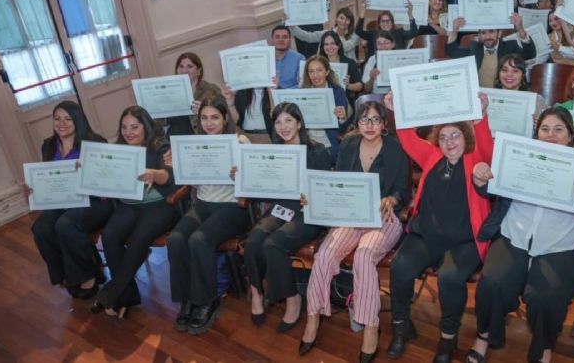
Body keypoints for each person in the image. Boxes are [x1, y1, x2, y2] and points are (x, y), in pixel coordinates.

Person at [467, 107, 574, 363]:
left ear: (570, 135)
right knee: (492, 284)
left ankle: (543, 348)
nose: (551, 135)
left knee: (545, 297)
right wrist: (481, 178)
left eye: (558, 129)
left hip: (563, 244)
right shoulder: (520, 156)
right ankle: (485, 336)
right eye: (545, 129)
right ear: (536, 132)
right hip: (514, 234)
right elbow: (490, 190)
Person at [385, 92, 494, 363]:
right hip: (426, 235)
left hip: (465, 240)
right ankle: (400, 327)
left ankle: (448, 339)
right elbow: (409, 138)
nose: (449, 142)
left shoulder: (476, 157)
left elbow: (487, 146)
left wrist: (480, 115)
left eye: (455, 135)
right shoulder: (431, 154)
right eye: (444, 137)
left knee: (449, 278)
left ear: (465, 136)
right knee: (399, 266)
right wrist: (396, 109)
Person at [299, 101, 411, 362]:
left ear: (384, 124)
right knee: (324, 255)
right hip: (352, 216)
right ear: (357, 123)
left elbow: (402, 192)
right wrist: (316, 199)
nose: (369, 125)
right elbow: (338, 183)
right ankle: (313, 319)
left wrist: (392, 200)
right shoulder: (348, 145)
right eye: (364, 119)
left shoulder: (395, 148)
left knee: (363, 256)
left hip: (384, 218)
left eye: (375, 120)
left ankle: (371, 326)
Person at [243, 102, 333, 330]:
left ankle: (292, 298)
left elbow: (325, 190)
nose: (283, 127)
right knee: (254, 240)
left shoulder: (317, 151)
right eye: (278, 122)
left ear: (299, 123)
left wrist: (311, 197)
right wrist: (244, 173)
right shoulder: (273, 151)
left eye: (289, 121)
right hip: (281, 209)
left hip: (308, 213)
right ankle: (257, 291)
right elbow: (261, 184)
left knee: (274, 244)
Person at [166, 96, 251, 335]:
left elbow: (256, 182)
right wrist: (178, 168)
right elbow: (188, 182)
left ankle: (206, 300)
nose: (209, 123)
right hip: (203, 204)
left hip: (232, 207)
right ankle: (187, 300)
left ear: (225, 118)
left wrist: (241, 175)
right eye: (204, 118)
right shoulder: (193, 145)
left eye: (215, 117)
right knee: (176, 239)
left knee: (199, 239)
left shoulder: (240, 141)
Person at [91, 106, 178, 318]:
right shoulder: (118, 150)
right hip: (129, 205)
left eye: (134, 127)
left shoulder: (160, 146)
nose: (128, 132)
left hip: (159, 205)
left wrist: (153, 174)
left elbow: (170, 178)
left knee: (139, 238)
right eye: (124, 127)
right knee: (110, 235)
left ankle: (111, 292)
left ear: (145, 127)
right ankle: (125, 295)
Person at [28, 101, 114, 299]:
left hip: (95, 200)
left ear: (78, 120)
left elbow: (107, 182)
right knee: (41, 227)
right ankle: (66, 275)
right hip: (63, 200)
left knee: (66, 225)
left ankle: (88, 275)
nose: (62, 123)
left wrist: (87, 174)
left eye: (68, 118)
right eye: (57, 118)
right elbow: (50, 176)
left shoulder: (95, 142)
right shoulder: (48, 145)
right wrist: (36, 187)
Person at [445, 13, 536, 87]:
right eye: (483, 33)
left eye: (491, 32)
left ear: (499, 34)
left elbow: (530, 54)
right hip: (480, 94)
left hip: (503, 93)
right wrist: (454, 31)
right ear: (480, 36)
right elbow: (452, 52)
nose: (487, 37)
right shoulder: (474, 48)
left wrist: (520, 29)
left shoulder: (510, 46)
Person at [297, 55, 350, 160]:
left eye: (319, 70)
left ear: (327, 72)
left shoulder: (337, 92)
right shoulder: (303, 92)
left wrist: (342, 118)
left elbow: (342, 128)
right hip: (307, 140)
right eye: (311, 71)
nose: (315, 75)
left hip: (329, 141)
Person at [166, 52, 223, 136]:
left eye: (190, 66)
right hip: (175, 141)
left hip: (202, 140)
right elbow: (159, 124)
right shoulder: (169, 92)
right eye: (181, 66)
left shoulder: (211, 89)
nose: (184, 70)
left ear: (199, 71)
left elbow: (225, 116)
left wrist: (204, 111)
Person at [290, 7, 362, 60]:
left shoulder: (355, 34)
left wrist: (333, 34)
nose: (344, 21)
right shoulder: (327, 33)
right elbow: (307, 37)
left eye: (347, 19)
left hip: (349, 69)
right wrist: (293, 26)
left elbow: (346, 47)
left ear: (351, 22)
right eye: (341, 18)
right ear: (336, 19)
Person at [316, 30, 364, 98]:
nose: (329, 47)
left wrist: (347, 85)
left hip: (343, 100)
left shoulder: (349, 62)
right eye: (326, 44)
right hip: (322, 98)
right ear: (322, 47)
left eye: (333, 43)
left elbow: (360, 86)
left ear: (339, 45)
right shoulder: (317, 63)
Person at [362, 31, 398, 95]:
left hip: (397, 95)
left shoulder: (400, 58)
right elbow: (367, 89)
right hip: (377, 96)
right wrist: (371, 78)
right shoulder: (372, 60)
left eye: (386, 43)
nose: (383, 46)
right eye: (379, 44)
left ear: (393, 44)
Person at [271, 25, 305, 89]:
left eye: (285, 37)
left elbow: (302, 84)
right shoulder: (265, 59)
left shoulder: (299, 59)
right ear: (272, 39)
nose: (281, 40)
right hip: (268, 94)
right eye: (277, 37)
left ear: (290, 39)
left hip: (290, 96)